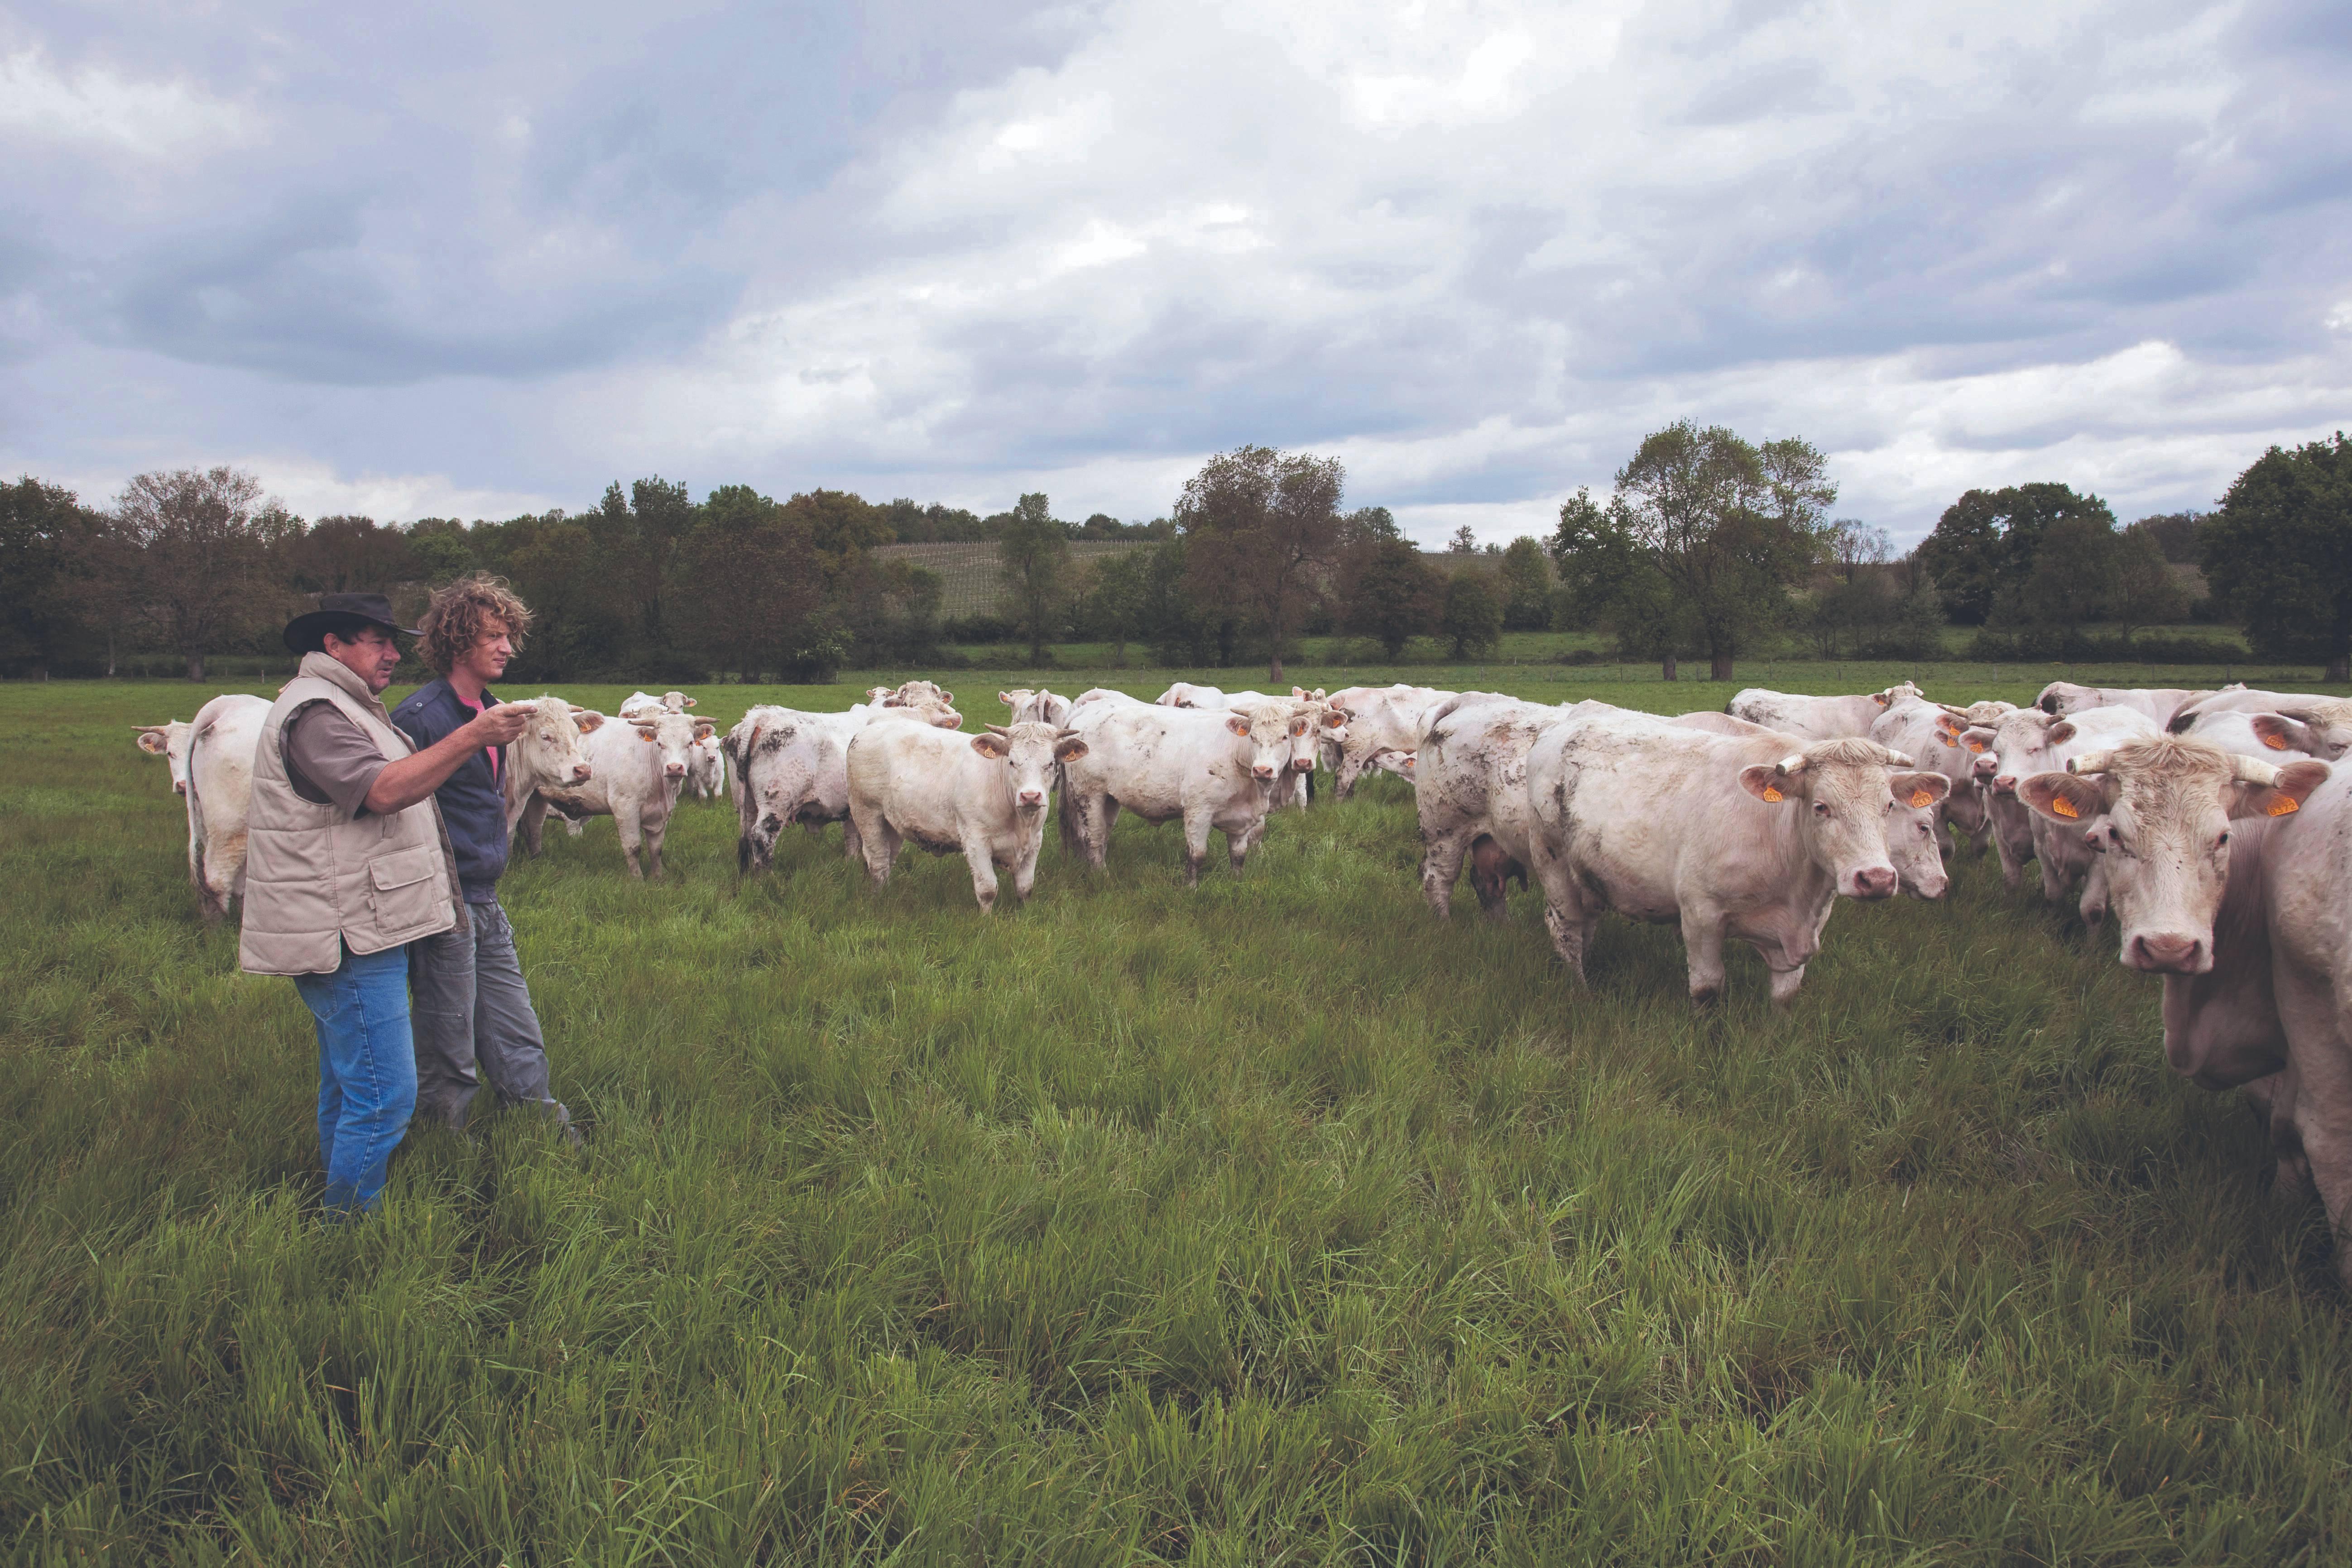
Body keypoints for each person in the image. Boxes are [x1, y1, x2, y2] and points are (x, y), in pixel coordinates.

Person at [240, 592, 535, 1215]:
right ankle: (348, 1226)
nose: (393, 653)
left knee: (349, 1086)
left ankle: (337, 1203)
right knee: (385, 1094)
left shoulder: (350, 707)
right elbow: (381, 790)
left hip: (361, 919)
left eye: (392, 641)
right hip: (343, 929)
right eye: (377, 641)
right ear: (334, 645)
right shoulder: (318, 713)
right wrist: (471, 735)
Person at [393, 575, 579, 1141]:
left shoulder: (499, 711)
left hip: (484, 895)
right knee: (447, 1037)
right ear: (456, 641)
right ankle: (443, 1145)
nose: (507, 648)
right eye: (494, 636)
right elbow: (398, 806)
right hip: (440, 900)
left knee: (514, 1026)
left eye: (509, 636)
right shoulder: (421, 717)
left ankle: (541, 1128)